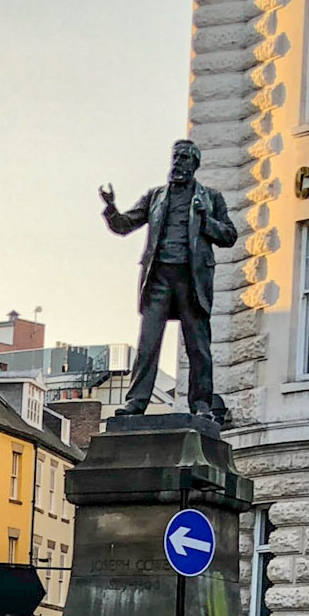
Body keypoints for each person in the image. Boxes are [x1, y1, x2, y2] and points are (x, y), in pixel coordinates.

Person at [100, 138, 238, 420]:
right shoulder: (155, 197)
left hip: (192, 278)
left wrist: (205, 219)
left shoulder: (210, 198)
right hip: (159, 277)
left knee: (198, 346)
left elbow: (229, 235)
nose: (178, 162)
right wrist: (112, 208)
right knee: (148, 343)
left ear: (195, 164)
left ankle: (201, 404)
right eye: (176, 157)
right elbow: (125, 225)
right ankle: (137, 401)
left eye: (185, 158)